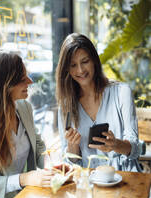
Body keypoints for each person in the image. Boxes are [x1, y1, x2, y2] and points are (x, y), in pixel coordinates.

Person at [0, 49, 55, 198]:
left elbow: (38, 143)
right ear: (3, 86)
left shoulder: (24, 107)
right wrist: (23, 179)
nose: (30, 82)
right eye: (22, 79)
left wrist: (50, 166)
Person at [56, 33, 142, 172]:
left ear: (94, 60)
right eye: (73, 65)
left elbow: (135, 149)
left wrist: (115, 145)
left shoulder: (121, 92)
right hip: (88, 182)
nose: (80, 70)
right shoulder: (66, 105)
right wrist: (72, 146)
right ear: (66, 69)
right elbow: (71, 162)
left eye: (85, 62)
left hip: (124, 178)